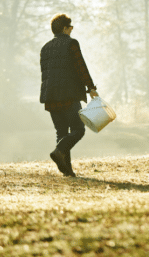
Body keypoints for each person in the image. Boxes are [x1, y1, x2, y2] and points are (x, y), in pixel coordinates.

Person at [40, 13, 98, 177]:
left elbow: (46, 73)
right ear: (65, 28)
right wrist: (91, 87)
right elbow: (81, 66)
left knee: (62, 133)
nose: (72, 30)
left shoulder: (45, 48)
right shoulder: (71, 44)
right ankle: (58, 152)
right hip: (68, 95)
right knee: (79, 130)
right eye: (70, 27)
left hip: (50, 96)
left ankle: (67, 170)